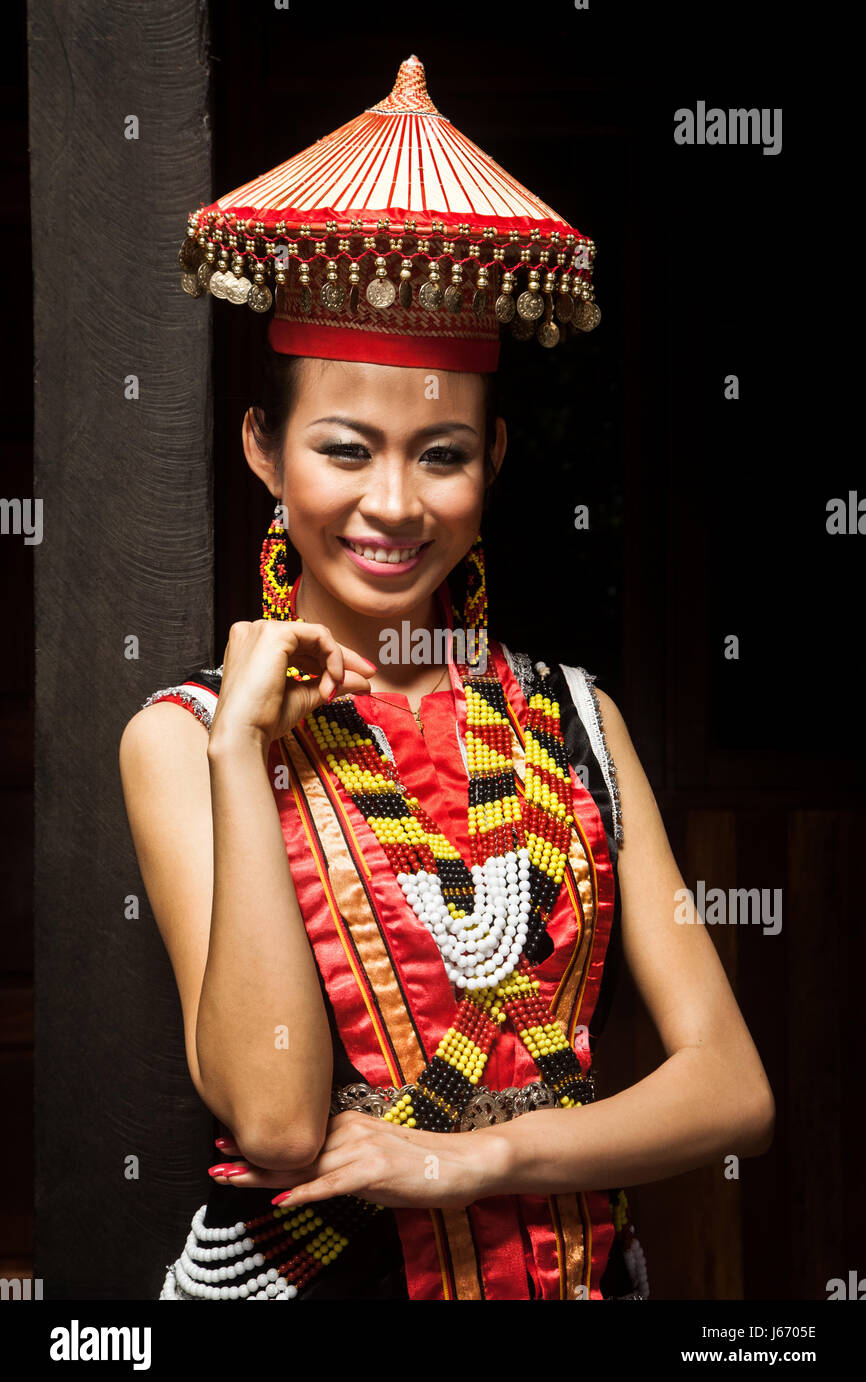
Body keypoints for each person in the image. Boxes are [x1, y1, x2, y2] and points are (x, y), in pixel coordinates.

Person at [119, 56, 774, 1301]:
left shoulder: (575, 718)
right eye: (343, 449)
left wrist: (469, 1158)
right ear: (265, 449)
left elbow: (731, 1090)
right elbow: (271, 1121)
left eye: (442, 455)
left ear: (495, 459)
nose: (392, 504)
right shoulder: (182, 736)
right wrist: (243, 752)